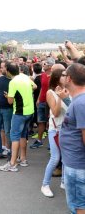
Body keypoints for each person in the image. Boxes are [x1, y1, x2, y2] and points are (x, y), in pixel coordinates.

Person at [0, 62, 35, 172]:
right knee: (23, 135)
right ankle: (23, 159)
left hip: (20, 112)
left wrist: (8, 96)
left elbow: (10, 101)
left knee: (15, 137)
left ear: (8, 72)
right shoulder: (24, 76)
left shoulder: (13, 82)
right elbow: (35, 86)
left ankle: (12, 163)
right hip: (30, 111)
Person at [60, 63, 85, 213]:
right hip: (74, 164)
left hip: (78, 166)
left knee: (79, 206)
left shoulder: (81, 103)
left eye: (63, 75)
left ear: (69, 79)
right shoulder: (78, 100)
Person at [41, 68, 68, 198]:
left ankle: (63, 181)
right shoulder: (50, 92)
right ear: (57, 77)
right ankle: (45, 185)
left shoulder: (70, 90)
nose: (67, 77)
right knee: (55, 158)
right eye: (64, 75)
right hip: (55, 129)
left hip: (68, 130)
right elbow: (56, 113)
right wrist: (59, 98)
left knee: (65, 157)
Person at [31, 58, 54, 149]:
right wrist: (38, 99)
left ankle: (51, 143)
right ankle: (39, 140)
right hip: (42, 101)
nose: (43, 65)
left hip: (50, 102)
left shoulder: (54, 77)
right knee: (41, 121)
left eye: (45, 64)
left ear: (50, 66)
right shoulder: (43, 75)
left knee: (50, 123)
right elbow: (42, 88)